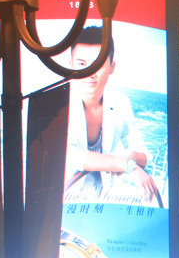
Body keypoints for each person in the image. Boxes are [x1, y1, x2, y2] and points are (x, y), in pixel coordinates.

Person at [64, 25, 161, 206]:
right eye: (82, 64)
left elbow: (145, 156)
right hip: (59, 202)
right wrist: (127, 165)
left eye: (98, 63)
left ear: (111, 67)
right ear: (70, 65)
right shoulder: (57, 104)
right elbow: (72, 156)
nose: (89, 73)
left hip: (103, 200)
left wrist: (130, 156)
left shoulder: (120, 103)